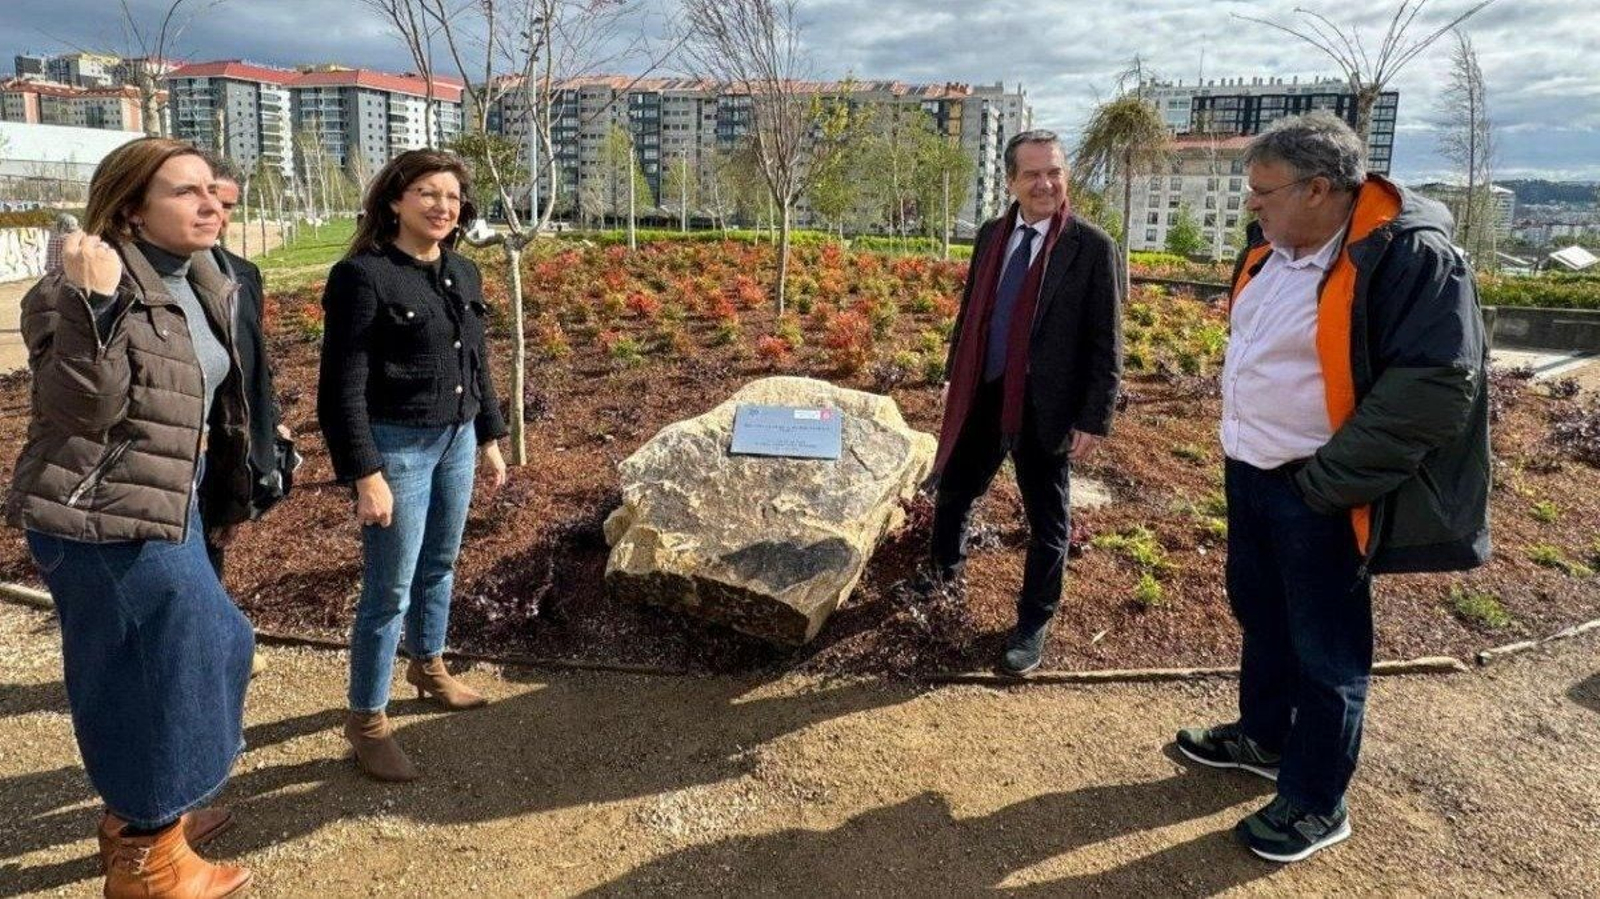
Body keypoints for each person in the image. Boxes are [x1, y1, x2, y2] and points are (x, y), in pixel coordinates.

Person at [1175, 112, 1490, 863]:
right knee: (1262, 612)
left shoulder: (1411, 257)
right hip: (1253, 473)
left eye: (1264, 191)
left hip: (1321, 488)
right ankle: (1264, 736)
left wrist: (1324, 484)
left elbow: (1436, 387)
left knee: (1327, 650)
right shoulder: (1274, 245)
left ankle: (1317, 800)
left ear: (1320, 188)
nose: (1253, 205)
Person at [9, 137, 254, 897]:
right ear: (129, 209)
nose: (210, 202)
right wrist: (92, 299)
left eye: (212, 189)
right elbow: (85, 407)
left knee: (212, 643)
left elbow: (202, 384)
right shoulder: (71, 289)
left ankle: (151, 809)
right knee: (155, 669)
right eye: (186, 192)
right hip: (97, 515)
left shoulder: (202, 277)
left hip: (162, 498)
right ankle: (147, 859)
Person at [318, 148, 509, 783]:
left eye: (452, 197)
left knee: (442, 564)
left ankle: (428, 667)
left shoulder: (464, 271)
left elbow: (475, 363)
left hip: (454, 441)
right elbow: (340, 387)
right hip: (395, 446)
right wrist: (364, 473)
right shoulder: (363, 276)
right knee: (389, 588)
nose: (442, 206)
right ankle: (367, 721)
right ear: (395, 200)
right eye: (427, 192)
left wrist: (490, 436)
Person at [928, 129, 1124, 676]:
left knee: (1048, 522)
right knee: (956, 493)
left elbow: (1106, 338)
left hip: (1048, 406)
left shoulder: (1091, 247)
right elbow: (972, 313)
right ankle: (941, 578)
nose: (1046, 183)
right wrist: (953, 377)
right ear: (1011, 181)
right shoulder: (992, 235)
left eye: (1054, 172)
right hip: (984, 392)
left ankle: (1033, 621)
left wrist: (1095, 415)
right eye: (1033, 174)